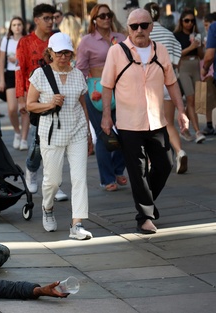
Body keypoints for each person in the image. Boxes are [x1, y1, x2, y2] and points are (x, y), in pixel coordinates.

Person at [100, 9, 189, 234]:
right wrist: (106, 116)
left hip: (157, 120)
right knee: (137, 170)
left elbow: (171, 83)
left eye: (144, 25)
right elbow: (107, 85)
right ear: (127, 29)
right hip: (129, 122)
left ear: (151, 26)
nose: (139, 30)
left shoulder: (160, 50)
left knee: (165, 164)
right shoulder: (116, 52)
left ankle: (146, 203)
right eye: (134, 26)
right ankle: (145, 217)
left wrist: (181, 110)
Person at [26, 33, 94, 237]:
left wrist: (90, 131)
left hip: (77, 130)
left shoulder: (78, 74)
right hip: (51, 132)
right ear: (50, 53)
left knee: (80, 178)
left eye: (67, 52)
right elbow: (30, 105)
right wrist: (50, 103)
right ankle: (47, 208)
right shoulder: (40, 74)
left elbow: (83, 104)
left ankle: (77, 225)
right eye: (59, 53)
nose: (64, 57)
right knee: (52, 181)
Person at [16, 3, 68, 204]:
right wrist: (21, 97)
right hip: (35, 98)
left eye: (52, 18)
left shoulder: (57, 39)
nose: (50, 22)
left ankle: (54, 183)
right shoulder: (26, 42)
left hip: (57, 95)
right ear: (36, 19)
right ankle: (31, 167)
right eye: (46, 18)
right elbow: (20, 70)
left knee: (56, 139)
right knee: (39, 141)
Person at [76, 4, 128, 191]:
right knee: (104, 133)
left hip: (121, 88)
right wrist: (79, 94)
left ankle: (117, 168)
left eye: (109, 15)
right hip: (96, 89)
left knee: (126, 130)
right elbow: (81, 69)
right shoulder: (87, 41)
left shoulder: (121, 38)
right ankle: (107, 178)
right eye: (102, 16)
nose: (106, 18)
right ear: (94, 20)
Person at [144, 2, 187, 174]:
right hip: (168, 83)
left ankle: (149, 161)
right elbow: (177, 60)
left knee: (147, 125)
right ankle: (179, 151)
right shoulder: (169, 35)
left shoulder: (143, 33)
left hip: (150, 84)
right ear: (159, 15)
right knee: (168, 122)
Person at [174, 9, 206, 144]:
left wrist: (199, 46)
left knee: (197, 100)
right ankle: (198, 131)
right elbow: (176, 54)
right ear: (181, 21)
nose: (189, 23)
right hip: (184, 67)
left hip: (196, 66)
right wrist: (191, 46)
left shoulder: (196, 34)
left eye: (192, 21)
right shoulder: (177, 35)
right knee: (190, 99)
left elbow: (202, 56)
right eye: (186, 20)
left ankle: (184, 127)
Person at [0, 17, 28, 150]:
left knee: (25, 108)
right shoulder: (6, 40)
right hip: (10, 75)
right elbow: (1, 61)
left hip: (24, 74)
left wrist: (18, 58)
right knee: (11, 109)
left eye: (19, 24)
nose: (17, 27)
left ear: (23, 26)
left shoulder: (26, 40)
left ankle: (24, 138)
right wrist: (1, 80)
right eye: (14, 24)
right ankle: (17, 131)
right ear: (10, 27)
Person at [202, 13, 216, 135]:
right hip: (209, 73)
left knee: (206, 98)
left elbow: (209, 56)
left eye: (207, 25)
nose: (206, 28)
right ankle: (209, 124)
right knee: (205, 98)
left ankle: (209, 125)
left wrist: (205, 69)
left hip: (210, 72)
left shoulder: (214, 29)